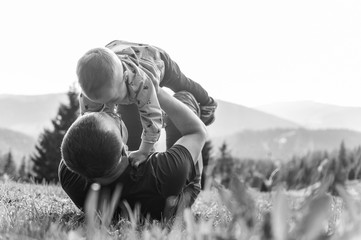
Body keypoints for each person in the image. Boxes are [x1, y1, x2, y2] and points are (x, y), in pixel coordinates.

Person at [59, 89, 207, 221]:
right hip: (174, 189)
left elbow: (83, 132)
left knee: (132, 97)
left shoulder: (69, 174)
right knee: (183, 99)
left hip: (133, 179)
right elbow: (197, 132)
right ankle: (196, 108)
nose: (115, 114)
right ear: (124, 149)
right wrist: (155, 90)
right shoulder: (165, 170)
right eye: (116, 119)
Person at [76, 40, 217, 167]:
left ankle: (207, 102)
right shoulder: (90, 93)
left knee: (182, 83)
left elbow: (152, 120)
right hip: (117, 51)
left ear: (125, 78)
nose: (110, 105)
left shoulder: (140, 84)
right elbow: (89, 125)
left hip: (155, 59)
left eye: (112, 100)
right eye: (102, 102)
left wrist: (144, 151)